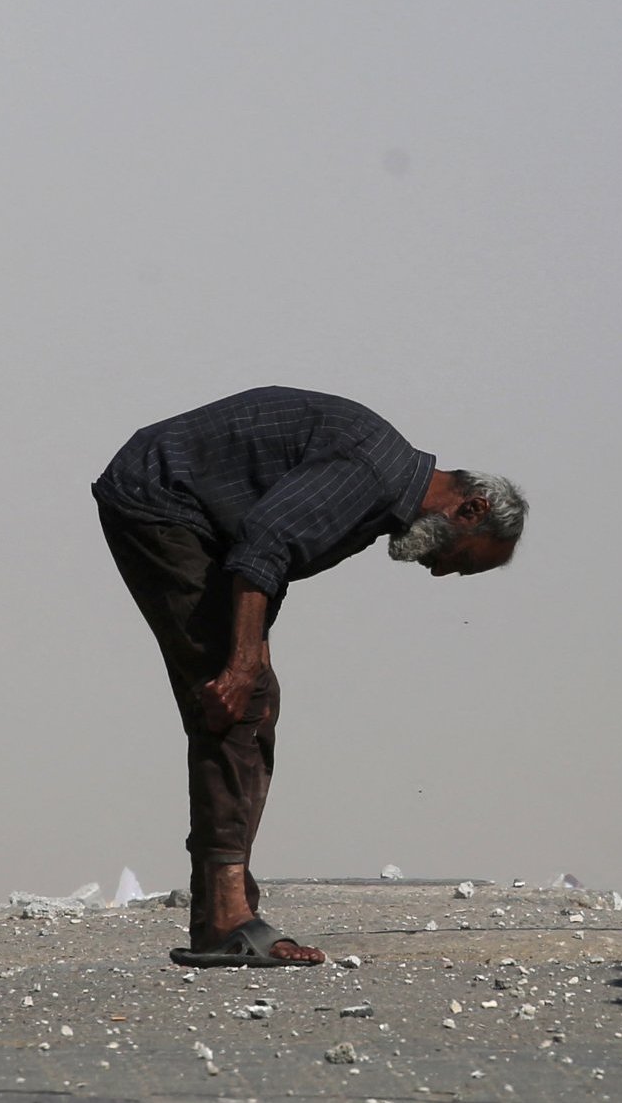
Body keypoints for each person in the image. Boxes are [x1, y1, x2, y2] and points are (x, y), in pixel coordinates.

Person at [92, 387, 526, 967]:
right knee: (235, 701)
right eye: (464, 559)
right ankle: (226, 919)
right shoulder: (372, 475)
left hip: (189, 514)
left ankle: (225, 912)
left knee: (253, 699)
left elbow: (271, 556)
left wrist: (253, 654)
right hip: (160, 499)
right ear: (469, 509)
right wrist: (243, 661)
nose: (442, 570)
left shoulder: (379, 498)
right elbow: (265, 544)